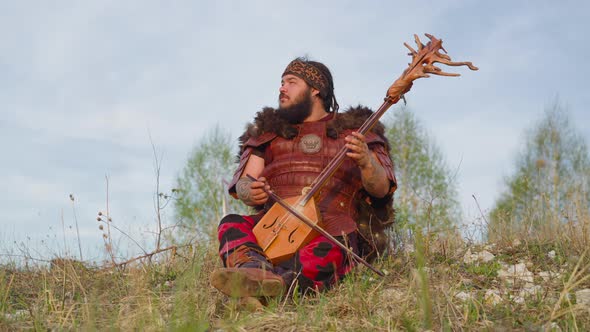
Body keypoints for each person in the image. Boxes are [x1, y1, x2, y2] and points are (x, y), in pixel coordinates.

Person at [210, 57, 396, 300]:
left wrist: (366, 162)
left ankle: (272, 287)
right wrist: (250, 189)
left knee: (339, 247)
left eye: (291, 82)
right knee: (231, 223)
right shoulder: (268, 133)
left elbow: (381, 189)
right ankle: (253, 272)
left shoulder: (357, 131)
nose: (282, 88)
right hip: (275, 229)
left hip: (332, 231)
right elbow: (244, 183)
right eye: (281, 82)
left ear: (315, 89)